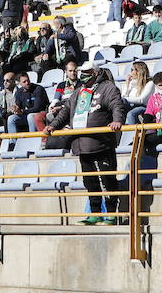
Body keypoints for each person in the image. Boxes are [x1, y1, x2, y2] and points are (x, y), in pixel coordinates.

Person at [44, 63, 126, 225]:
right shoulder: (79, 91)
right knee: (90, 181)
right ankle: (94, 213)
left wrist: (117, 121)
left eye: (88, 73)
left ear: (95, 73)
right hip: (81, 143)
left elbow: (117, 105)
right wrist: (54, 125)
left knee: (107, 179)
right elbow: (66, 111)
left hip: (102, 142)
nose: (83, 75)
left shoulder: (107, 87)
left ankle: (111, 214)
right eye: (82, 72)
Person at [120, 61, 154, 126]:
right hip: (132, 105)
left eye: (132, 70)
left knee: (131, 114)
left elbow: (142, 100)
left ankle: (134, 134)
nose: (130, 72)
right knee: (119, 109)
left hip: (145, 106)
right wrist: (127, 84)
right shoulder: (132, 83)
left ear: (138, 71)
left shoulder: (150, 83)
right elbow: (123, 96)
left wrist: (124, 99)